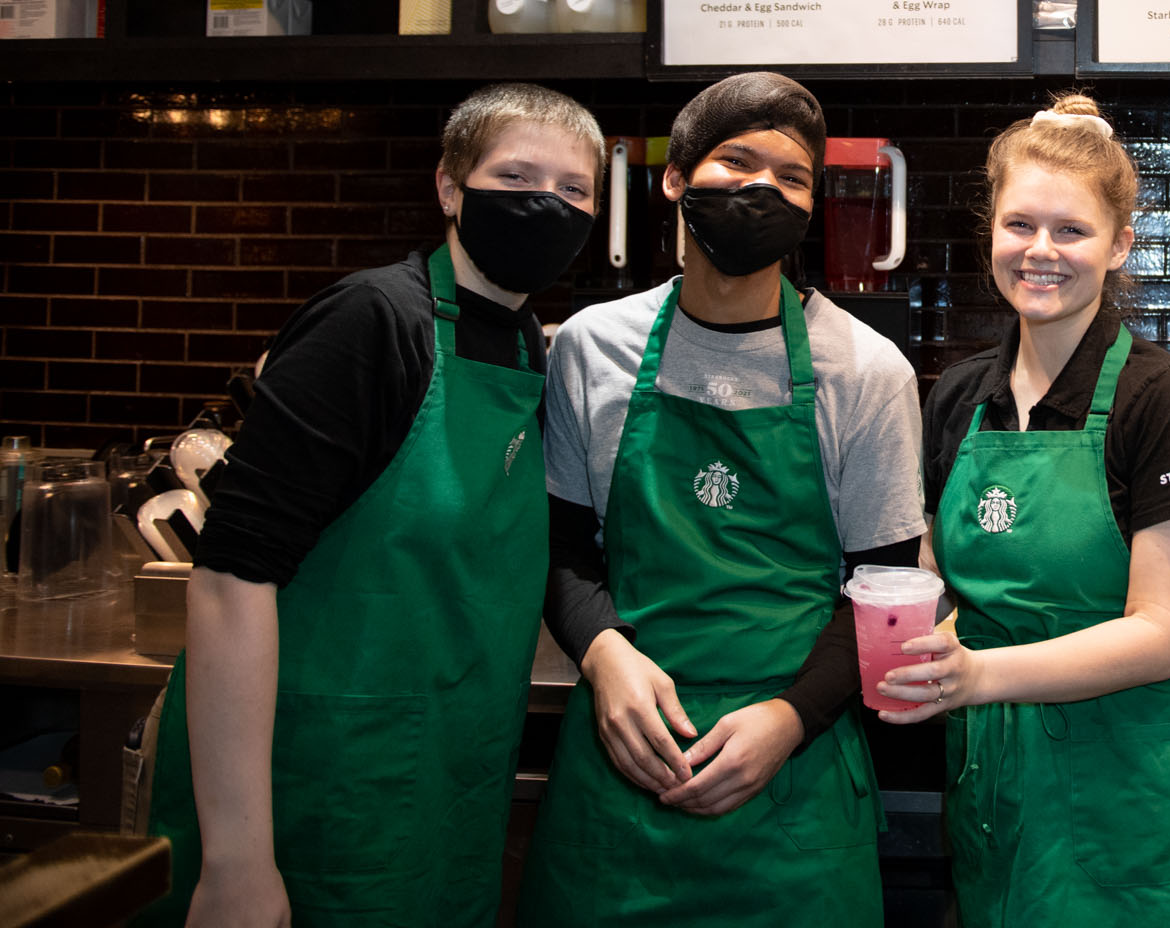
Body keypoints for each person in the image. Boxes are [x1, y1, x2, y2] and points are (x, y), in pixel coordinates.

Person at [144, 83, 606, 928]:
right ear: (448, 187)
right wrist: (239, 862)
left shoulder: (523, 338)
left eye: (574, 189)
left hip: (441, 785)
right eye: (515, 175)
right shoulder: (372, 321)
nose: (546, 203)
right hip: (312, 791)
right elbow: (228, 579)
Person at [519, 72, 924, 928]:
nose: (762, 190)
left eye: (792, 177)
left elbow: (887, 598)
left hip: (794, 790)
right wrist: (604, 656)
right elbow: (559, 547)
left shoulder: (866, 369)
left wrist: (788, 717)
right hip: (620, 771)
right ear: (674, 179)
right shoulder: (593, 347)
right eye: (736, 162)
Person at [879, 92, 1170, 927]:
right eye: (1019, 225)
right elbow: (941, 569)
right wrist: (926, 629)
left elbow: (1165, 634)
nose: (1039, 251)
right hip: (999, 788)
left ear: (1119, 244)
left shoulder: (1164, 401)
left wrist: (977, 675)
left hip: (1137, 800)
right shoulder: (961, 397)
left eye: (1071, 231)